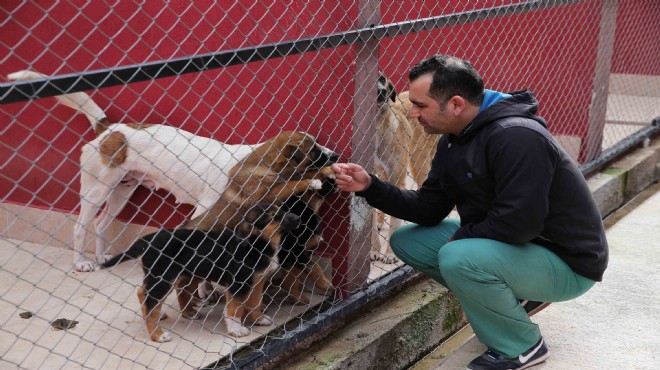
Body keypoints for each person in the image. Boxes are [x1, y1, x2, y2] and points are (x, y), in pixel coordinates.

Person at [332, 55, 608, 370]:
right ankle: (510, 302)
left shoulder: (517, 136)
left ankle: (522, 346)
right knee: (409, 240)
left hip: (567, 263)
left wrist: (460, 242)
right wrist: (370, 186)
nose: (412, 113)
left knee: (457, 256)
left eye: (421, 105)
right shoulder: (454, 140)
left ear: (457, 104)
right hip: (521, 248)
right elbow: (428, 208)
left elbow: (521, 221)